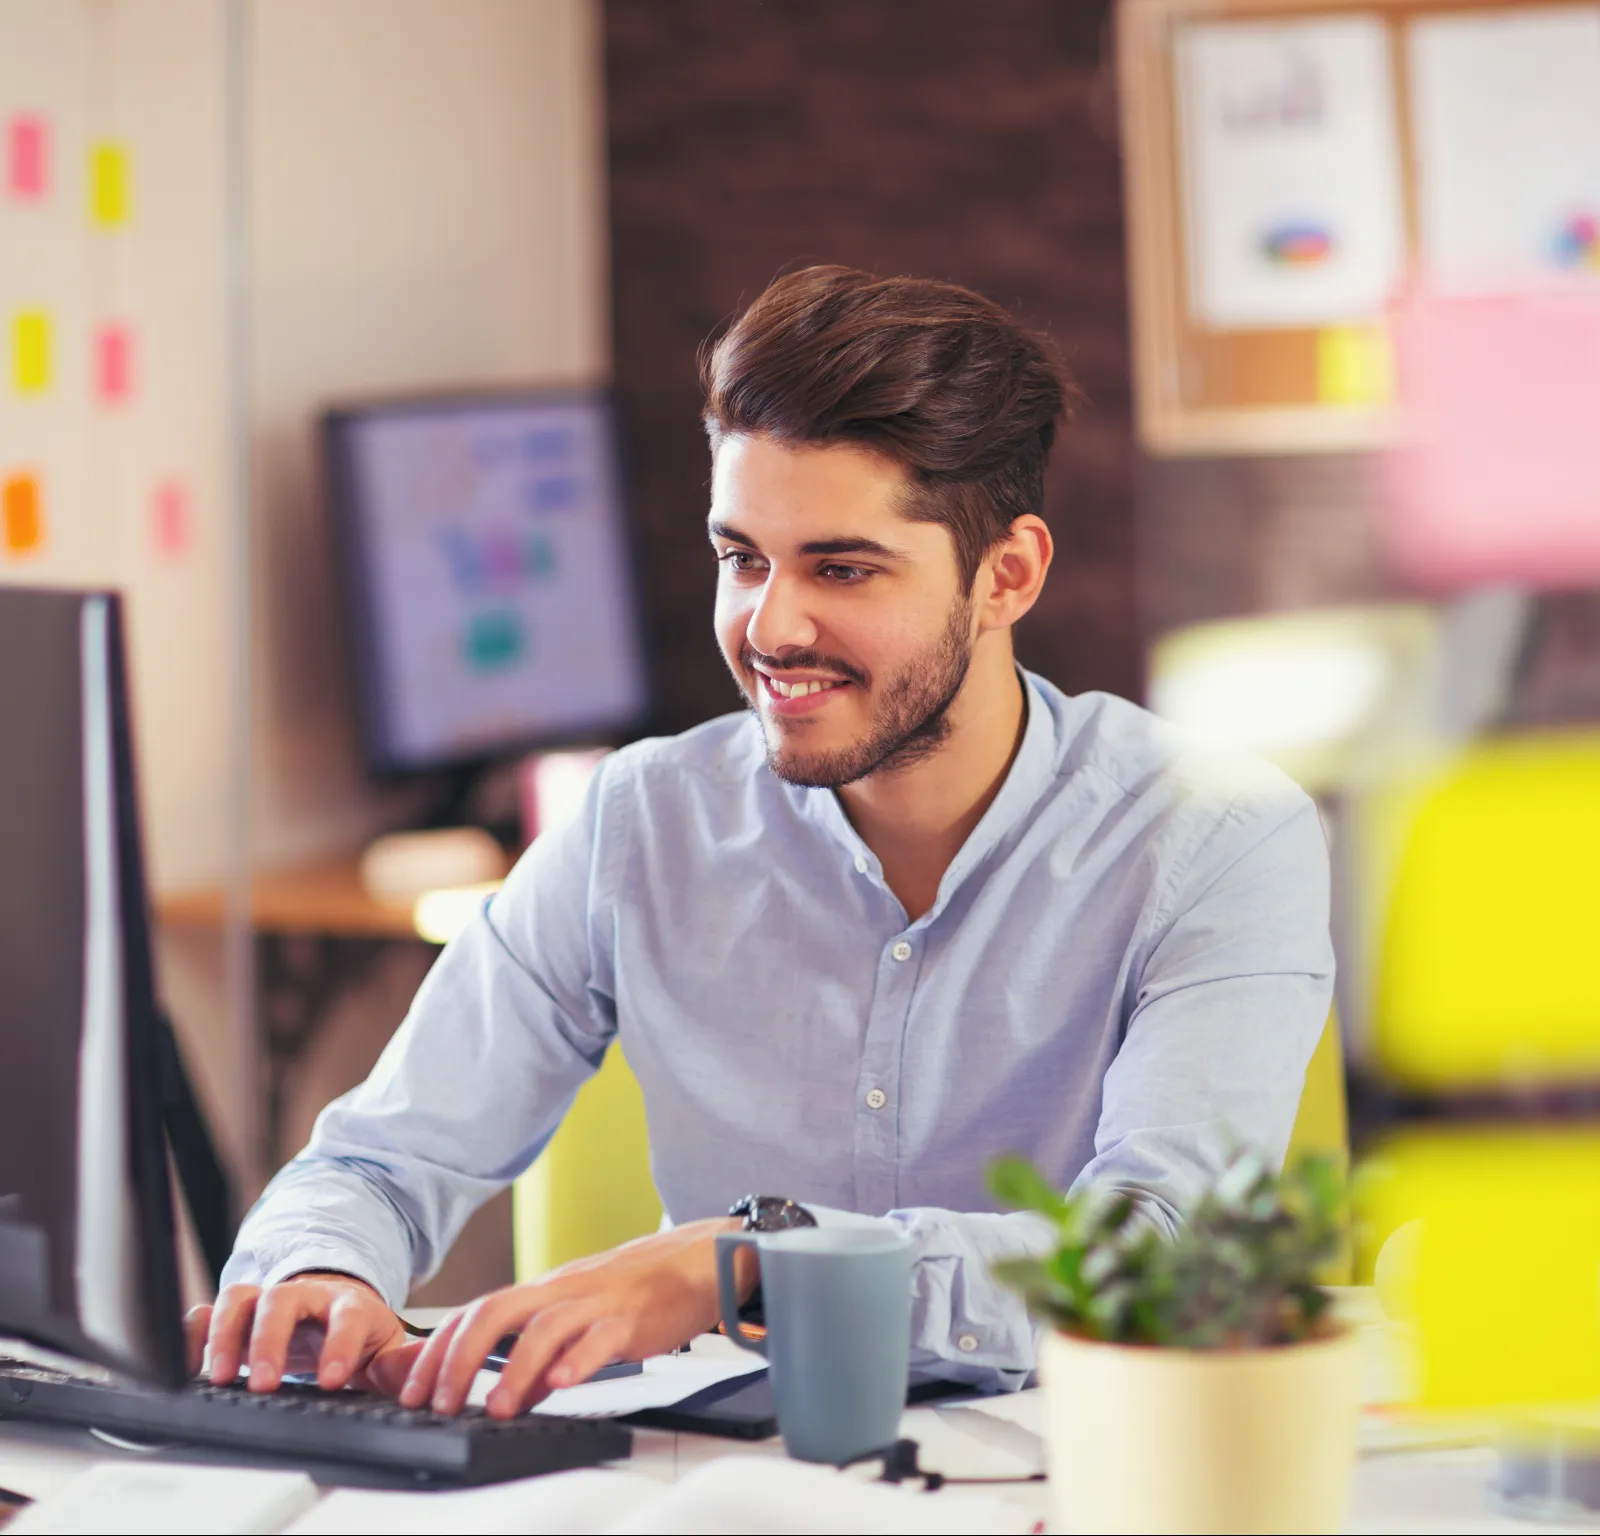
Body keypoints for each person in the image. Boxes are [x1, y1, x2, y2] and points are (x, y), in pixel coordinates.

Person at [192, 266, 1333, 1419]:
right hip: (722, 1482)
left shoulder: (1218, 838)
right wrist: (320, 1272)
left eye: (841, 568)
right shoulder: (634, 820)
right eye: (742, 557)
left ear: (1008, 575)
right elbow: (378, 1163)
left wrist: (747, 1266)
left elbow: (1164, 1264)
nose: (770, 626)